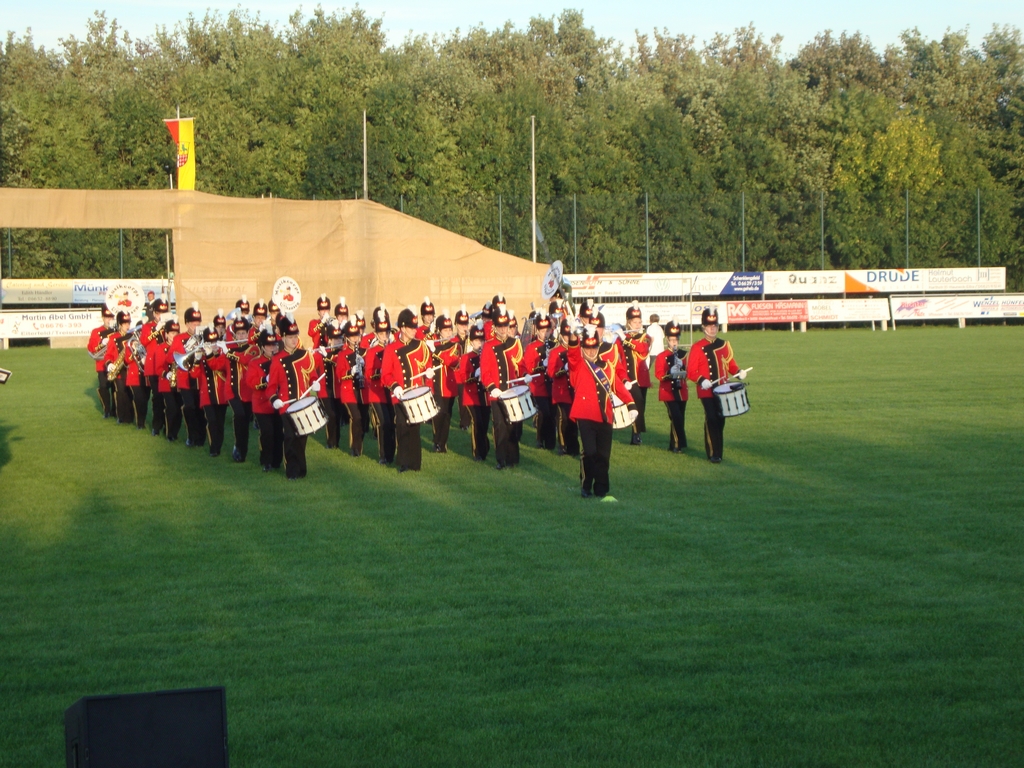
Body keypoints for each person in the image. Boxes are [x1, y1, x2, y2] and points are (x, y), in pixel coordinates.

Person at [568, 325, 635, 498]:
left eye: (594, 348)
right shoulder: (578, 364)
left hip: (605, 415)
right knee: (590, 452)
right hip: (585, 415)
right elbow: (572, 353)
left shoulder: (607, 366)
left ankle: (601, 490)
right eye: (587, 348)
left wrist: (631, 404)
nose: (591, 352)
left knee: (604, 455)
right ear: (583, 348)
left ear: (598, 347)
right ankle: (586, 486)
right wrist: (574, 335)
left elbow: (617, 386)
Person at [268, 315, 325, 480]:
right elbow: (271, 386)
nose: (294, 340)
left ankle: (301, 469)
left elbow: (312, 374)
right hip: (286, 405)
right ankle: (292, 471)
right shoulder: (277, 360)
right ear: (283, 338)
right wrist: (274, 399)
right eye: (290, 337)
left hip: (303, 402)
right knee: (290, 437)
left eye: (295, 336)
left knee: (302, 437)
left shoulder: (304, 355)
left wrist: (315, 383)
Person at [686, 307, 745, 463]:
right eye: (709, 326)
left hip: (722, 389)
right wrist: (701, 380)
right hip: (706, 390)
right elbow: (691, 371)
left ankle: (719, 451)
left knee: (720, 419)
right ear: (703, 327)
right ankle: (713, 453)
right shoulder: (697, 347)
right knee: (711, 417)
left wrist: (738, 371)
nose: (712, 328)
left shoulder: (724, 344)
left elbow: (730, 364)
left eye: (715, 325)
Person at [382, 307, 434, 472]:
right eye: (411, 328)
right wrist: (395, 386)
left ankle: (415, 463)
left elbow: (428, 364)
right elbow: (385, 374)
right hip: (400, 394)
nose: (414, 330)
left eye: (415, 327)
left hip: (416, 394)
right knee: (402, 426)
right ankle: (404, 462)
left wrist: (429, 373)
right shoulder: (391, 349)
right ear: (403, 328)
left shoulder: (420, 345)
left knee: (415, 427)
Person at [480, 307, 526, 470]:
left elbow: (521, 365)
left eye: (505, 326)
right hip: (497, 393)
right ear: (494, 327)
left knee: (513, 425)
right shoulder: (489, 346)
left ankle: (512, 458)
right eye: (500, 326)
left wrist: (525, 374)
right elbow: (485, 372)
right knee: (500, 426)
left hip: (513, 392)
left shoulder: (515, 343)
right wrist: (492, 387)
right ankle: (501, 459)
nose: (503, 329)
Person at [245, 324, 284, 472]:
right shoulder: (255, 362)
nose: (273, 348)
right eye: (269, 345)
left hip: (278, 402)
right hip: (262, 404)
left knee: (279, 432)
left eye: (274, 344)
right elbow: (251, 382)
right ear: (262, 346)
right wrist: (265, 380)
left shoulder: (280, 360)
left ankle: (276, 461)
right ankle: (266, 461)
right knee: (267, 432)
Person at [170, 302, 207, 448]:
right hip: (185, 379)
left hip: (200, 378)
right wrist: (189, 351)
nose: (196, 325)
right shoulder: (179, 338)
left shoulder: (204, 337)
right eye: (193, 323)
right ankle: (192, 436)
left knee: (201, 408)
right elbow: (172, 357)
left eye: (198, 323)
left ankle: (201, 437)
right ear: (186, 324)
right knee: (190, 407)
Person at [191, 326, 231, 457]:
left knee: (219, 423)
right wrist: (197, 360)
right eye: (210, 342)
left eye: (215, 341)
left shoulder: (223, 355)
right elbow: (194, 375)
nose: (213, 345)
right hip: (207, 395)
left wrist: (209, 354)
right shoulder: (203, 355)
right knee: (212, 421)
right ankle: (213, 448)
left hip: (220, 394)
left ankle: (217, 447)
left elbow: (216, 366)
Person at [363, 305, 396, 465]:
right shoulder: (372, 351)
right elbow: (368, 374)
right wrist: (381, 372)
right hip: (377, 393)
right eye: (381, 334)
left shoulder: (393, 349)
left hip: (391, 391)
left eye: (387, 333)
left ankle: (391, 454)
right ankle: (384, 455)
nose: (385, 337)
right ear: (376, 334)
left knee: (393, 423)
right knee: (384, 423)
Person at [222, 317, 256, 462]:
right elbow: (217, 365)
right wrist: (211, 353)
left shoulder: (253, 348)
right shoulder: (229, 348)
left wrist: (227, 352)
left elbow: (244, 359)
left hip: (247, 392)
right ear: (234, 335)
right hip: (232, 391)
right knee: (240, 415)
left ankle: (242, 450)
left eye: (243, 333)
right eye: (238, 333)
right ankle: (238, 446)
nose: (241, 335)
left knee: (245, 422)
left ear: (248, 333)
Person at [455, 320, 490, 461]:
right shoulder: (466, 357)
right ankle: (478, 452)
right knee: (477, 422)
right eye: (476, 341)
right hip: (472, 396)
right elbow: (462, 377)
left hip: (485, 396)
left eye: (482, 341)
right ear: (471, 342)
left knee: (485, 423)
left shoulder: (487, 356)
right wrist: (474, 374)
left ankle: (484, 447)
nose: (479, 344)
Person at [653, 318, 688, 453]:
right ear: (667, 339)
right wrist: (669, 372)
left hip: (681, 391)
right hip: (668, 391)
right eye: (671, 339)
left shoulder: (683, 355)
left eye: (676, 339)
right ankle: (678, 444)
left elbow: (689, 373)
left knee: (680, 417)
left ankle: (674, 443)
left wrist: (682, 366)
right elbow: (658, 374)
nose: (674, 342)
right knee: (675, 416)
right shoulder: (662, 356)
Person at [334, 321, 367, 457]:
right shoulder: (342, 354)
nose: (355, 339)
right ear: (347, 337)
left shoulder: (364, 352)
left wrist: (364, 365)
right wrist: (350, 372)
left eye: (357, 335)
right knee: (356, 417)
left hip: (362, 390)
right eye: (352, 336)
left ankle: (359, 444)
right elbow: (339, 374)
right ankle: (355, 448)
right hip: (348, 391)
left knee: (363, 419)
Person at [547, 318, 579, 457]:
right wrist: (563, 369)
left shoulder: (578, 349)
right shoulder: (555, 352)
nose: (567, 338)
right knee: (562, 418)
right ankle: (562, 445)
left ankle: (573, 446)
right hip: (561, 391)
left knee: (574, 419)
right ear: (561, 335)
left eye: (569, 335)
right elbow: (551, 372)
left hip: (574, 390)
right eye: (566, 336)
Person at [429, 311, 460, 453]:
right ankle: (437, 442)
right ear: (439, 331)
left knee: (447, 415)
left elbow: (452, 361)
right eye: (445, 330)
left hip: (448, 385)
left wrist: (435, 351)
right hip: (435, 384)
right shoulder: (432, 342)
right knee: (438, 413)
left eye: (449, 329)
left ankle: (442, 443)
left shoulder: (455, 345)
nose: (448, 333)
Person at [523, 315, 556, 449]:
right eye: (542, 331)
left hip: (551, 384)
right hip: (539, 385)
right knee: (543, 412)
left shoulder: (553, 345)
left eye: (547, 331)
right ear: (537, 331)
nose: (545, 334)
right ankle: (540, 439)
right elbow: (529, 366)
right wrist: (542, 363)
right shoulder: (531, 347)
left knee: (552, 414)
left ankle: (551, 443)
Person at [622, 302, 651, 445]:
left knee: (641, 405)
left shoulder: (645, 336)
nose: (637, 325)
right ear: (628, 322)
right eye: (634, 322)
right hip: (628, 378)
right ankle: (636, 434)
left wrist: (625, 339)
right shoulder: (622, 336)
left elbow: (642, 348)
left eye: (639, 322)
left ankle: (636, 432)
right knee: (636, 402)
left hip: (641, 377)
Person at [141, 297, 169, 436]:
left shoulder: (169, 325)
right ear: (154, 313)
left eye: (163, 313)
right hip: (153, 367)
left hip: (166, 365)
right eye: (158, 313)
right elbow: (144, 341)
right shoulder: (148, 326)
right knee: (157, 397)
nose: (160, 316)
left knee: (168, 397)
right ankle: (156, 426)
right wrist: (156, 330)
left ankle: (168, 427)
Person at [155, 319, 183, 443]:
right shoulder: (161, 348)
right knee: (172, 408)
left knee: (179, 408)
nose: (174, 336)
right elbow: (158, 368)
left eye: (176, 333)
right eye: (172, 333)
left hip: (179, 383)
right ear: (166, 334)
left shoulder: (181, 347)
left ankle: (175, 432)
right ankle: (169, 432)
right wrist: (166, 374)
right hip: (166, 383)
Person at [87, 307, 118, 418]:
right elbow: (91, 348)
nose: (109, 320)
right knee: (103, 387)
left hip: (115, 363)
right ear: (103, 318)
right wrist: (101, 343)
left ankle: (115, 410)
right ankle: (107, 410)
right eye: (107, 317)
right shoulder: (96, 331)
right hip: (102, 364)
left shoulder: (116, 330)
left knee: (115, 388)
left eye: (111, 317)